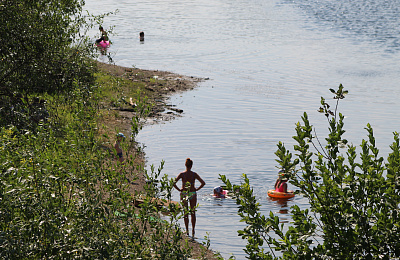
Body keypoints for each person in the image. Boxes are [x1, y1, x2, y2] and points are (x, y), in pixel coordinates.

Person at [173, 158, 206, 237]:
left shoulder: (182, 174)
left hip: (184, 193)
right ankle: (193, 230)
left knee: (186, 213)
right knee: (193, 213)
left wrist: (179, 190)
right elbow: (203, 183)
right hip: (192, 193)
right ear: (192, 165)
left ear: (185, 165)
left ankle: (187, 230)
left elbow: (173, 183)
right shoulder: (194, 174)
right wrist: (196, 189)